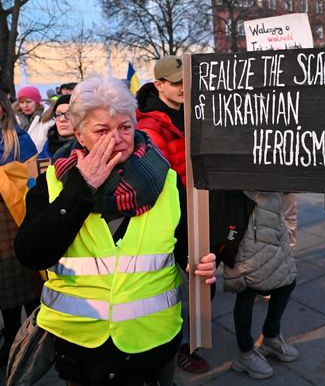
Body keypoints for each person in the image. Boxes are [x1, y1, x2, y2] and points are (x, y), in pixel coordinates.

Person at [14, 76, 217, 385]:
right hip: (81, 349)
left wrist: (201, 267)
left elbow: (190, 258)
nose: (118, 138)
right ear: (80, 135)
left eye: (125, 127)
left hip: (152, 345)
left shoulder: (166, 181)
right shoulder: (55, 182)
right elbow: (32, 253)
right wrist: (81, 188)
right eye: (102, 131)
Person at [135, 55, 212, 373]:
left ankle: (192, 337)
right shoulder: (150, 125)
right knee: (184, 281)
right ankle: (182, 344)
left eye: (186, 81)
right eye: (176, 82)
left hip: (199, 205)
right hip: (178, 215)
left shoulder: (193, 111)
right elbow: (160, 178)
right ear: (159, 85)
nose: (184, 87)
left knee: (205, 280)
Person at [225, 191, 298, 380]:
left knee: (287, 280)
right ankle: (245, 352)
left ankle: (271, 335)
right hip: (249, 221)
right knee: (247, 288)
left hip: (273, 218)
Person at [0, 92, 39, 367]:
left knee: (30, 291)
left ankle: (32, 346)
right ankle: (12, 344)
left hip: (18, 222)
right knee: (6, 296)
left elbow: (33, 180)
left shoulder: (18, 139)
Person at [14, 86, 53, 151]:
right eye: (21, 102)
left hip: (41, 159)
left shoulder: (48, 119)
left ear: (37, 103)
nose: (25, 105)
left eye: (28, 102)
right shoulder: (14, 119)